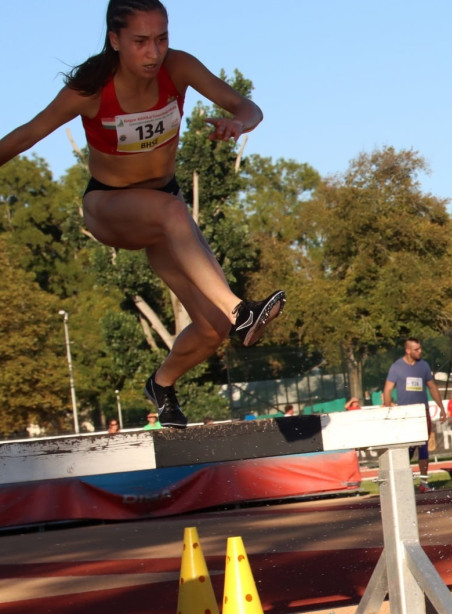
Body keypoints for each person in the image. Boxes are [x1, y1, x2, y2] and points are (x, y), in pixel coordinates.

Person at [0, 0, 285, 430]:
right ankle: (242, 311)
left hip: (161, 213)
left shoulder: (179, 68)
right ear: (115, 41)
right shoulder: (90, 88)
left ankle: (162, 384)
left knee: (210, 330)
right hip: (109, 207)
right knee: (174, 214)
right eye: (140, 42)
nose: (153, 53)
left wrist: (238, 125)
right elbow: (25, 135)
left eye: (161, 39)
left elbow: (249, 107)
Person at [382, 338, 448, 485]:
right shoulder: (397, 367)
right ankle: (403, 481)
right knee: (408, 448)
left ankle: (424, 483)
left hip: (422, 412)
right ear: (408, 351)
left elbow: (432, 387)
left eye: (420, 349)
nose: (420, 351)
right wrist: (388, 407)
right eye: (416, 349)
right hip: (405, 414)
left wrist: (441, 407)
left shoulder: (423, 366)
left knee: (423, 446)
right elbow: (387, 389)